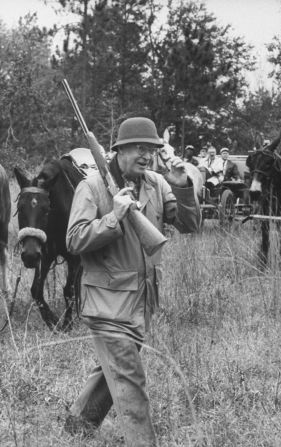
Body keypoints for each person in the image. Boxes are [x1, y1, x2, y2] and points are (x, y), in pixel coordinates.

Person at [64, 117, 200, 446]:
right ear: (119, 150)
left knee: (114, 369)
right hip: (106, 304)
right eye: (139, 147)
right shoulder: (93, 186)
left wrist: (181, 184)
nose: (146, 154)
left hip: (142, 302)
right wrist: (114, 217)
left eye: (151, 149)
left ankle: (77, 426)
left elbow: (190, 225)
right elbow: (74, 240)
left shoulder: (157, 183)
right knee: (131, 381)